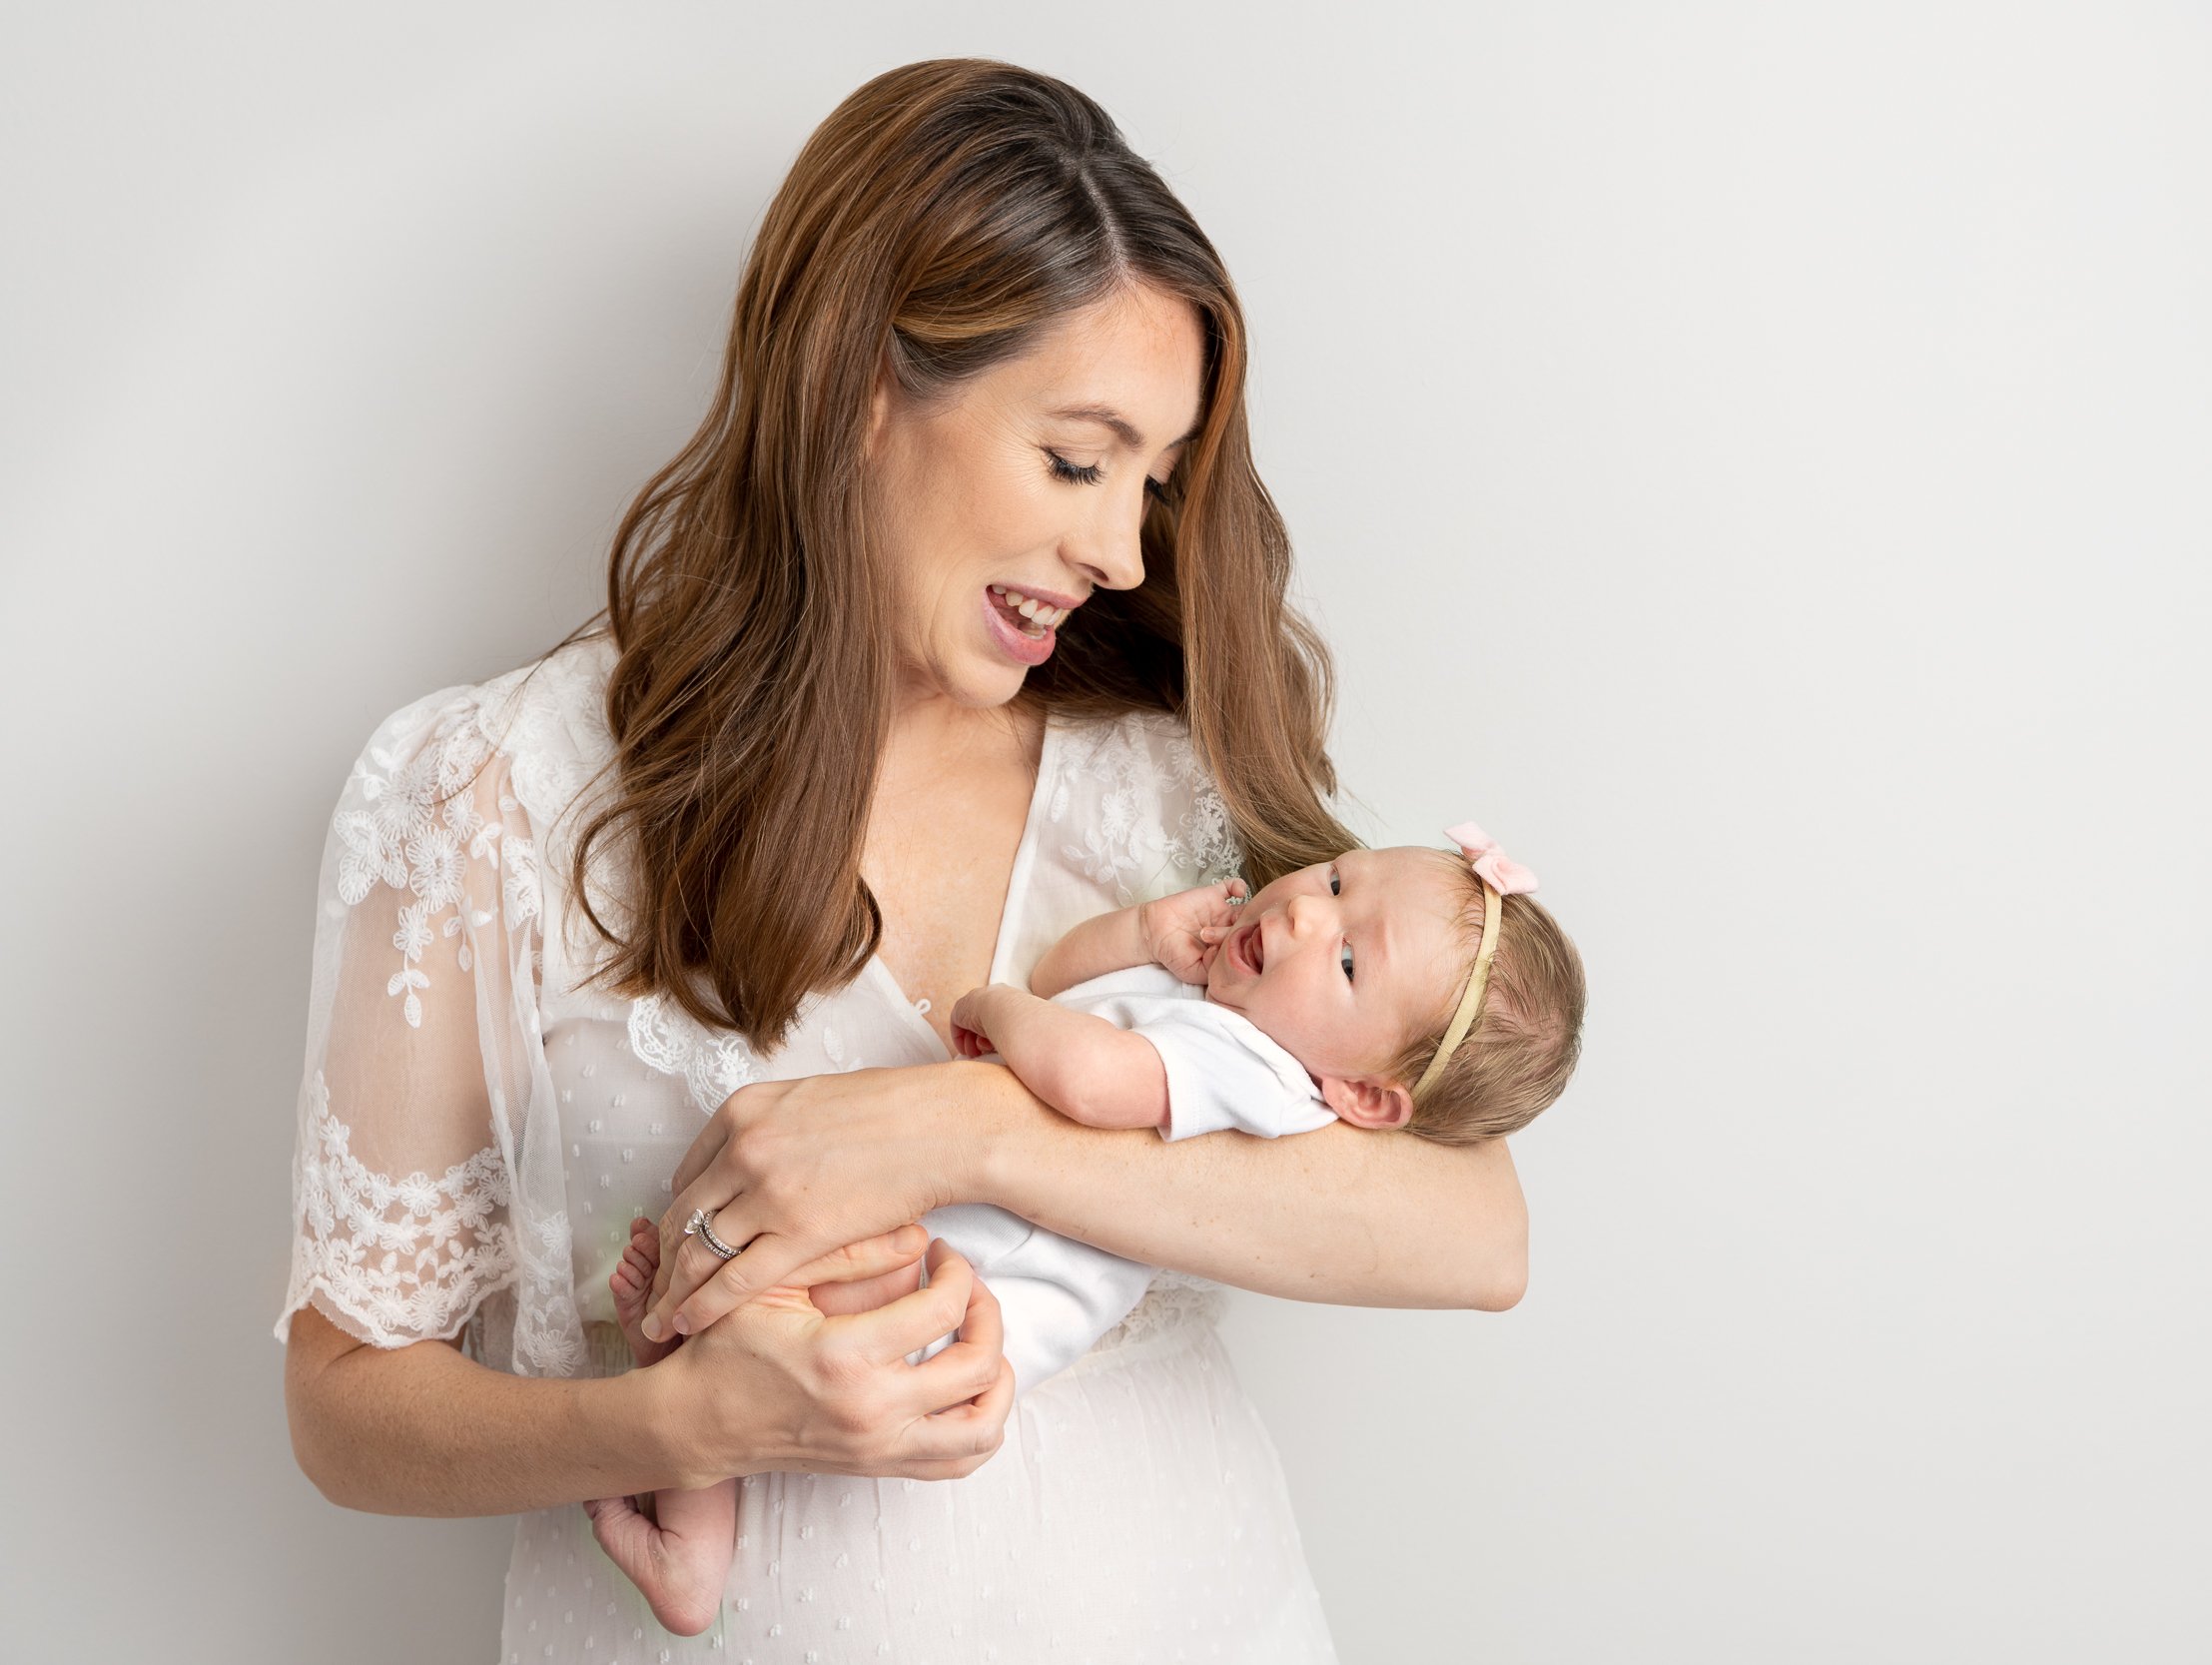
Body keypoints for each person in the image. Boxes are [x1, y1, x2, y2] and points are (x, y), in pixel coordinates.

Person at [277, 58, 1531, 1664]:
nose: (1126, 551)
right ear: (866, 387)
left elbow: (1475, 1229)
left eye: (1155, 482)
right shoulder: (491, 794)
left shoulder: (1167, 789)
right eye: (1079, 460)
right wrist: (684, 1417)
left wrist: (962, 1128)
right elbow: (344, 1406)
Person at [589, 834, 1585, 1634]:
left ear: (1363, 1094)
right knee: (754, 1337)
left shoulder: (1260, 1075)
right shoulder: (1215, 1005)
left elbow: (1091, 1079)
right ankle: (688, 1521)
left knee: (775, 1320)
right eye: (1333, 876)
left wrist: (998, 1010)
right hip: (947, 1252)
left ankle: (687, 1505)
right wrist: (1144, 933)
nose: (1302, 911)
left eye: (1349, 957)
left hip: (970, 1295)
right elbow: (1070, 976)